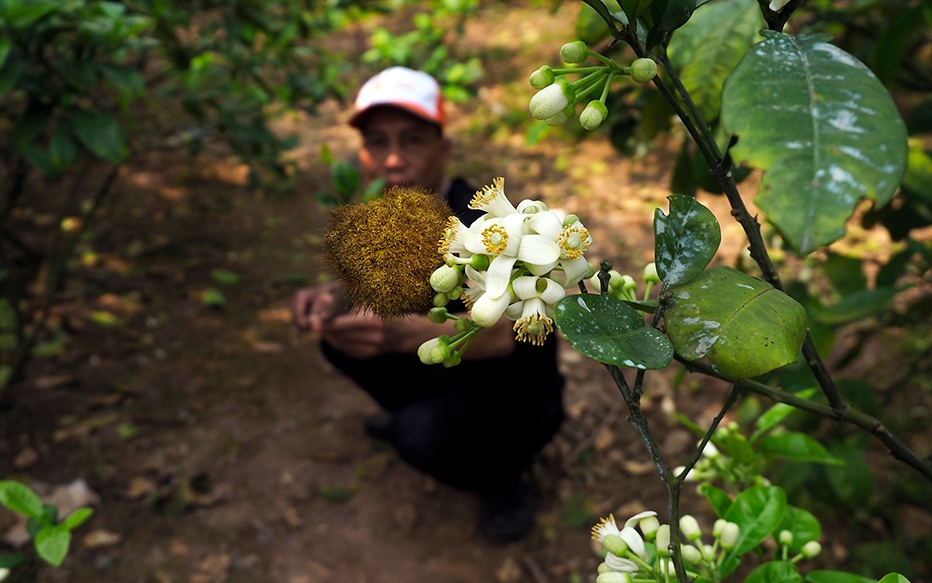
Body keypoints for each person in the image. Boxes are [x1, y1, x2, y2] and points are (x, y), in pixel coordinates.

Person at [292, 67, 566, 544]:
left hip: (515, 398)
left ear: (445, 150)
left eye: (413, 140)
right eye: (377, 142)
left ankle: (504, 479)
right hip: (446, 373)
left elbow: (513, 335)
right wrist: (327, 302)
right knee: (340, 341)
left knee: (418, 434)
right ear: (361, 154)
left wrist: (408, 334)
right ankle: (420, 416)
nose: (393, 160)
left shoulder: (487, 226)